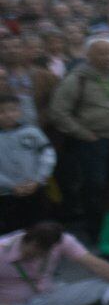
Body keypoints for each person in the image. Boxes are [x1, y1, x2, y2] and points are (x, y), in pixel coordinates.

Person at [45, 37, 109, 227]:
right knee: (94, 185)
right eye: (101, 53)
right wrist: (82, 133)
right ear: (88, 55)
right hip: (92, 141)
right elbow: (58, 112)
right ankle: (96, 226)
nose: (108, 57)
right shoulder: (76, 79)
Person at [0, 95, 56, 234]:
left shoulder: (32, 132)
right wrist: (11, 185)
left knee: (38, 229)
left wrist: (38, 179)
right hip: (6, 195)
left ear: (19, 111)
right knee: (11, 232)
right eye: (2, 112)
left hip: (35, 189)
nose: (8, 115)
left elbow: (47, 155)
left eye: (12, 110)